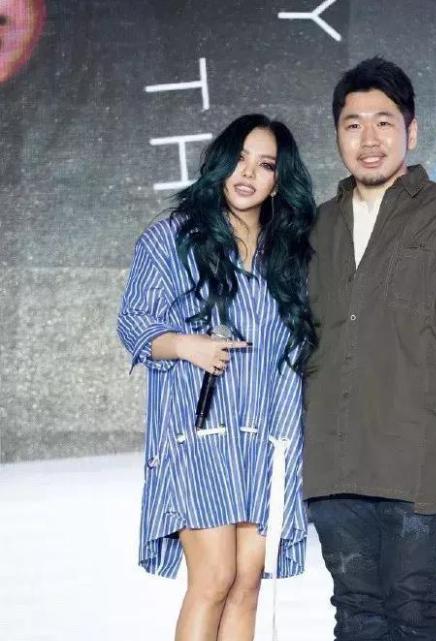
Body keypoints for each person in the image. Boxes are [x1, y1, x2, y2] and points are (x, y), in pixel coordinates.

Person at [303, 57, 436, 640]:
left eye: (384, 122)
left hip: (420, 459)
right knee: (355, 616)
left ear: (412, 131)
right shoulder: (315, 229)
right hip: (334, 462)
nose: (369, 139)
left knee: (413, 614)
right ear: (337, 135)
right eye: (353, 125)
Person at [117, 113, 317, 641]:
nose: (248, 173)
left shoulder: (291, 253)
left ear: (279, 181)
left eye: (265, 165)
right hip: (199, 433)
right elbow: (134, 323)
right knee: (214, 577)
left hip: (269, 438)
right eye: (240, 159)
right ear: (219, 163)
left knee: (247, 583)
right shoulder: (172, 239)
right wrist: (188, 345)